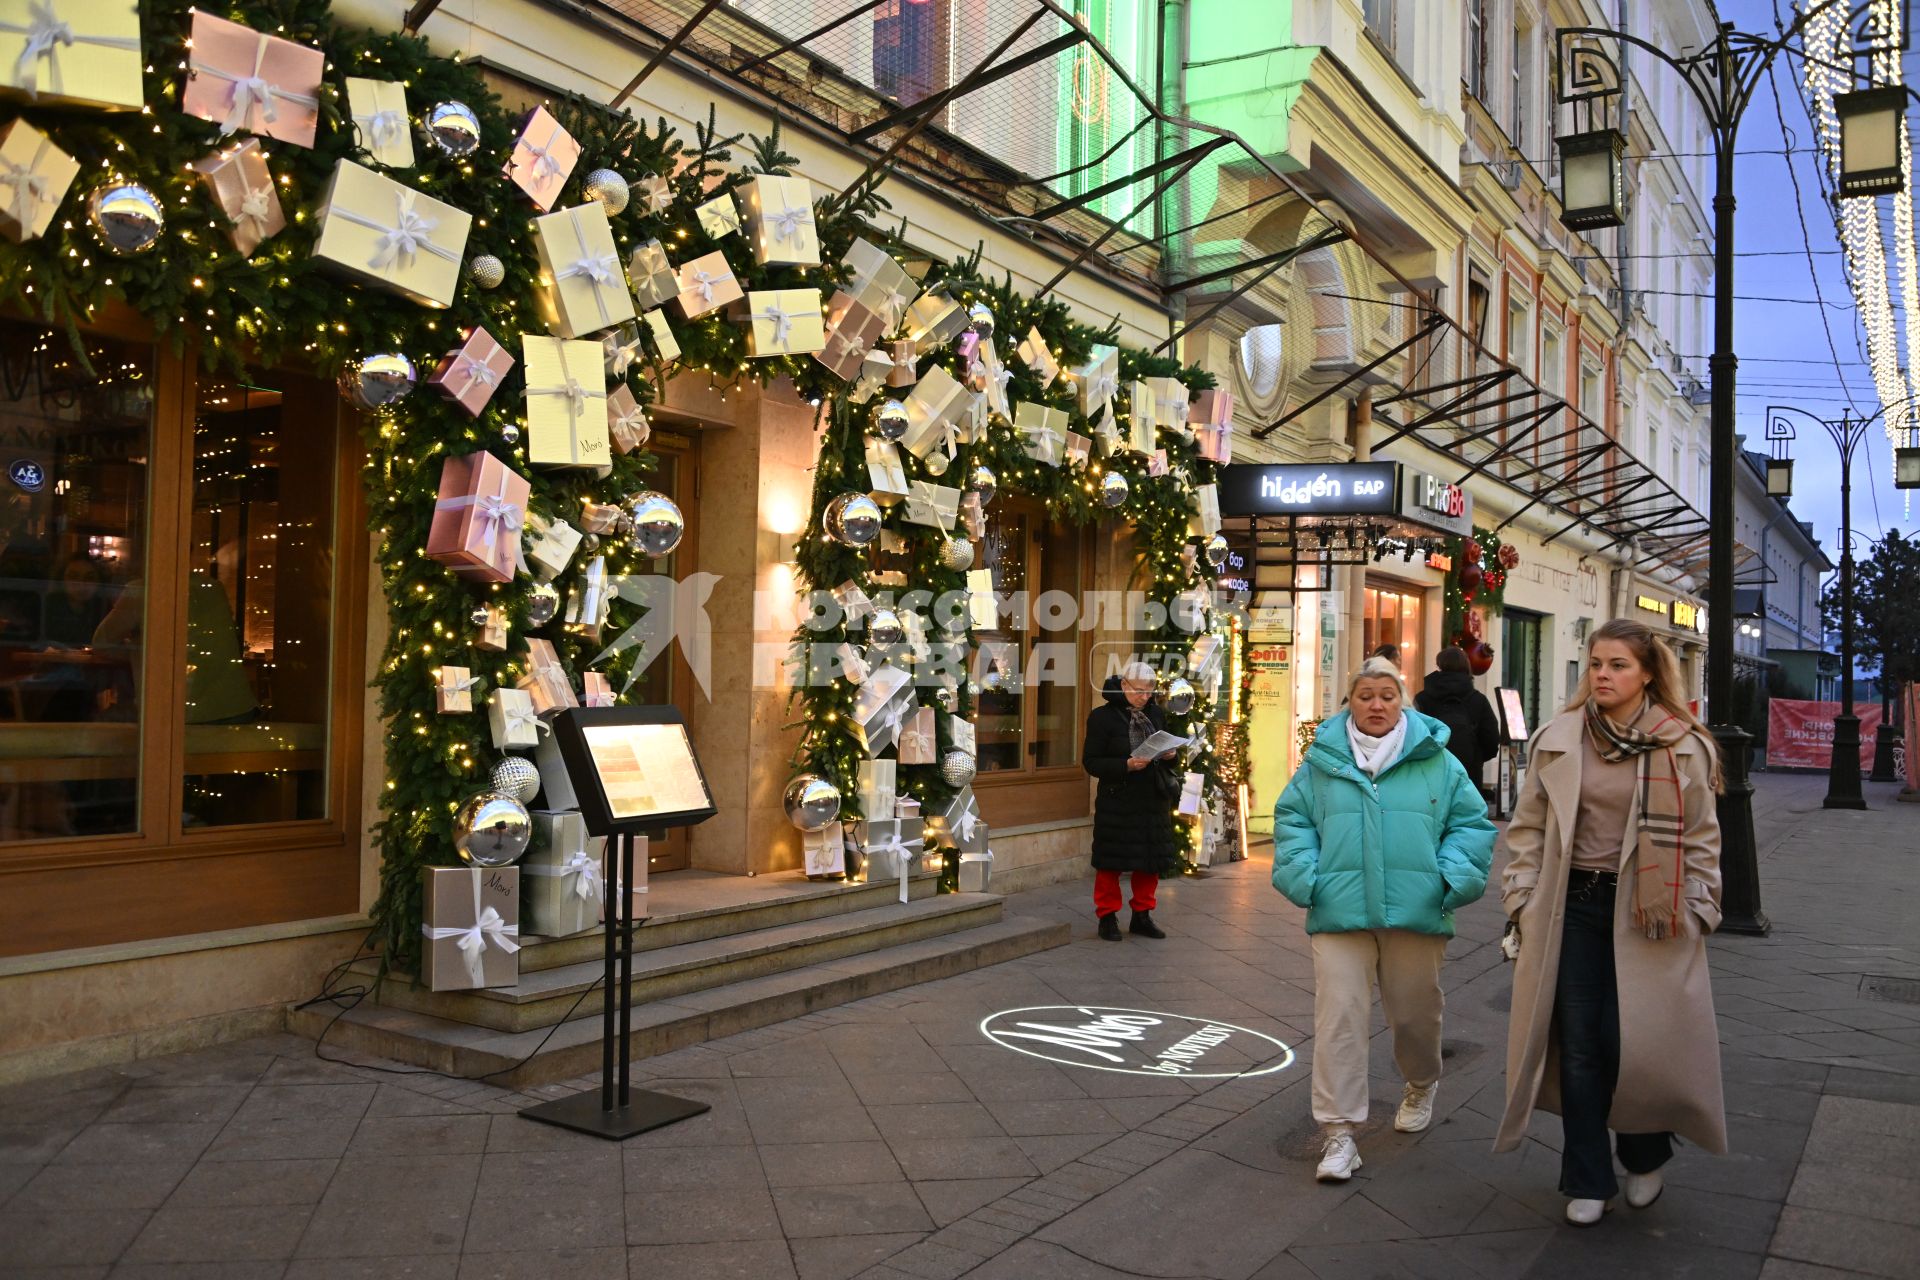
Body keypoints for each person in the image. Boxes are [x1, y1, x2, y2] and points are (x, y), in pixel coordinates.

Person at [1493, 618, 1726, 1227]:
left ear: (1648, 672)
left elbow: (1701, 836)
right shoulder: (1561, 736)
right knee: (1579, 1048)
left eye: (1618, 665)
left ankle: (1645, 1154)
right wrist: (1521, 894)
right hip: (1571, 908)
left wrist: (1699, 906)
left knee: (1634, 1044)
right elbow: (1528, 828)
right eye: (1596, 663)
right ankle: (1588, 1177)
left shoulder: (1681, 744)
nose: (1603, 674)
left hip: (1650, 912)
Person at [1272, 656, 1496, 1182]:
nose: (1376, 705)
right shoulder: (1323, 759)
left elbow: (1471, 824)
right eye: (1365, 694)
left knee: (1415, 1015)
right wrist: (1307, 878)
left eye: (1387, 695)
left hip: (1415, 912)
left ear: (1403, 701)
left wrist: (1447, 879)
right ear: (1349, 700)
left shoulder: (1437, 760)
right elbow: (1293, 819)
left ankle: (1421, 1081)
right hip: (1339, 910)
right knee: (1339, 1019)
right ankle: (1339, 1134)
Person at [1081, 662, 1180, 941]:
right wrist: (1126, 765)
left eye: (1150, 691)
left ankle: (1142, 915)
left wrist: (1171, 754)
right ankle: (1107, 917)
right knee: (1111, 861)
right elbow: (1091, 762)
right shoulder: (1102, 717)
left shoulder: (1156, 714)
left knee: (1150, 860)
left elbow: (1167, 750)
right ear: (1124, 685)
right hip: (1118, 800)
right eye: (1139, 691)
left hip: (1152, 799)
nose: (1145, 697)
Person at [1414, 646, 1501, 796]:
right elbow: (1491, 740)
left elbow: (1414, 736)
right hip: (1469, 774)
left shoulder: (1422, 699)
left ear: (1439, 665)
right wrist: (1476, 756)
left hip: (1431, 773)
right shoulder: (1478, 700)